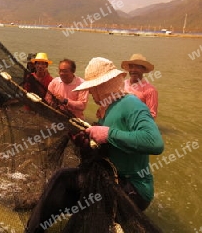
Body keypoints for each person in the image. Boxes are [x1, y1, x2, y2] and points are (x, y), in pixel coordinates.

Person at [26, 57, 164, 232]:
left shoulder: (132, 104)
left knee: (89, 209)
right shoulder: (106, 110)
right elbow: (107, 152)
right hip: (108, 179)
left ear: (103, 86)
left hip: (133, 188)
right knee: (62, 179)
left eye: (92, 88)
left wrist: (108, 134)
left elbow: (155, 143)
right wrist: (84, 144)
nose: (90, 93)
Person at [121, 53, 158, 118]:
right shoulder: (122, 84)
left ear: (143, 70)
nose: (133, 70)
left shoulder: (150, 90)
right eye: (131, 67)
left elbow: (152, 115)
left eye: (138, 67)